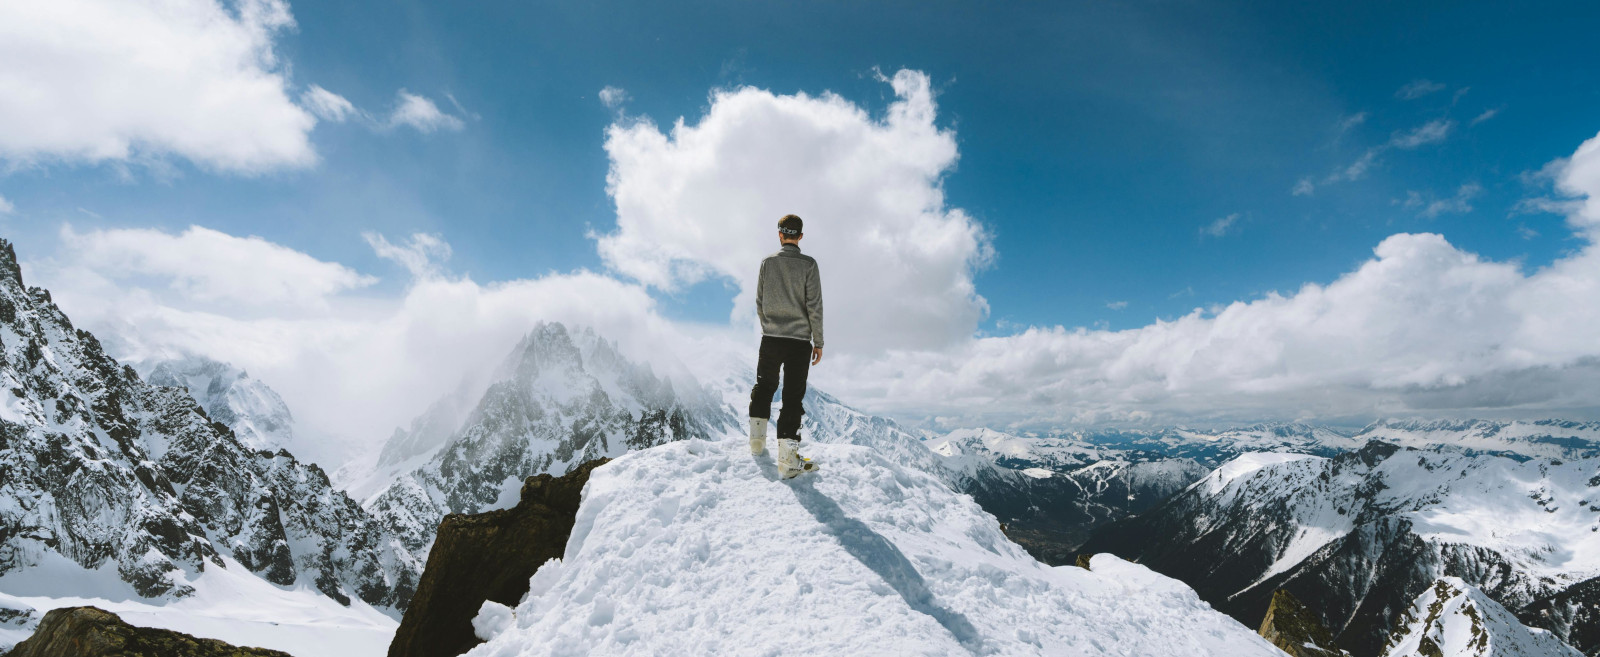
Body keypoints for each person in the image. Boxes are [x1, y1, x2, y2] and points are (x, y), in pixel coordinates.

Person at [748, 214, 823, 478]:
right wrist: (819, 341)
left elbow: (759, 301)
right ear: (800, 237)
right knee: (792, 397)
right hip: (800, 342)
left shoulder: (767, 263)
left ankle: (757, 444)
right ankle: (789, 462)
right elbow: (814, 307)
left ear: (779, 234)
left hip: (771, 338)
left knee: (764, 386)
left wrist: (769, 326)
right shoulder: (809, 265)